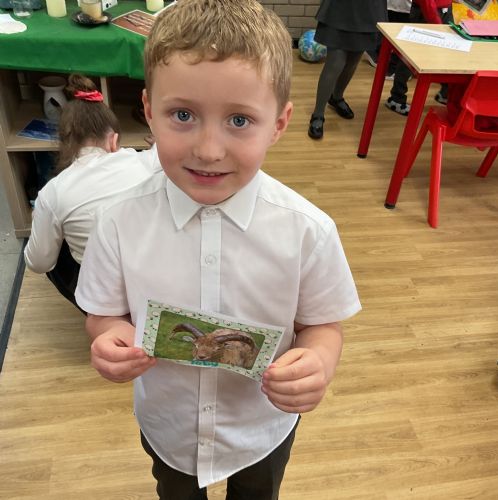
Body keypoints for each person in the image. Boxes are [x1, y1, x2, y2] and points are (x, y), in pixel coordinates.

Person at [75, 1, 362, 498]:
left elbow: (322, 325)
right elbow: (104, 314)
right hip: (169, 424)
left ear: (279, 123)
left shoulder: (308, 230)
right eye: (182, 115)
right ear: (148, 110)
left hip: (261, 425)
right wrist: (110, 338)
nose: (208, 150)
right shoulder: (118, 222)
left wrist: (319, 361)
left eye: (240, 120)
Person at [24, 73, 160, 311]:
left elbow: (38, 263)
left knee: (52, 239)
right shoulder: (146, 162)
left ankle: (94, 309)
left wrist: (40, 218)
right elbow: (160, 154)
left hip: (103, 294)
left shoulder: (53, 192)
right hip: (152, 283)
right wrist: (157, 143)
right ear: (114, 141)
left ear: (65, 145)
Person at [308, 0, 387, 140]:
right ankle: (318, 114)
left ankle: (337, 97)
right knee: (335, 63)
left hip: (369, 11)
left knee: (353, 61)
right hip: (341, 9)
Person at [385, 0, 453, 115]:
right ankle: (396, 98)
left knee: (448, 52)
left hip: (445, 8)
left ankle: (445, 93)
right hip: (426, 11)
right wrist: (436, 22)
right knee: (411, 55)